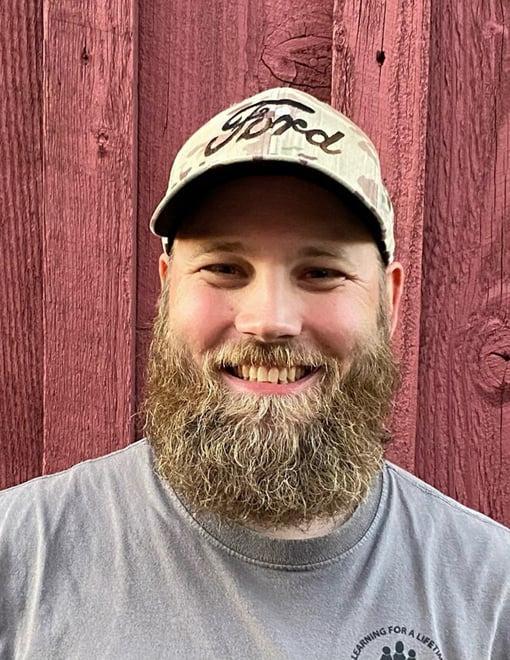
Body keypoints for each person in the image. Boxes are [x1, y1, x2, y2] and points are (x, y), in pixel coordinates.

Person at [0, 88, 508, 659]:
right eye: (224, 268)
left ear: (387, 302)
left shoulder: (491, 595)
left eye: (321, 272)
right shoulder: (19, 559)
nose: (269, 321)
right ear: (167, 288)